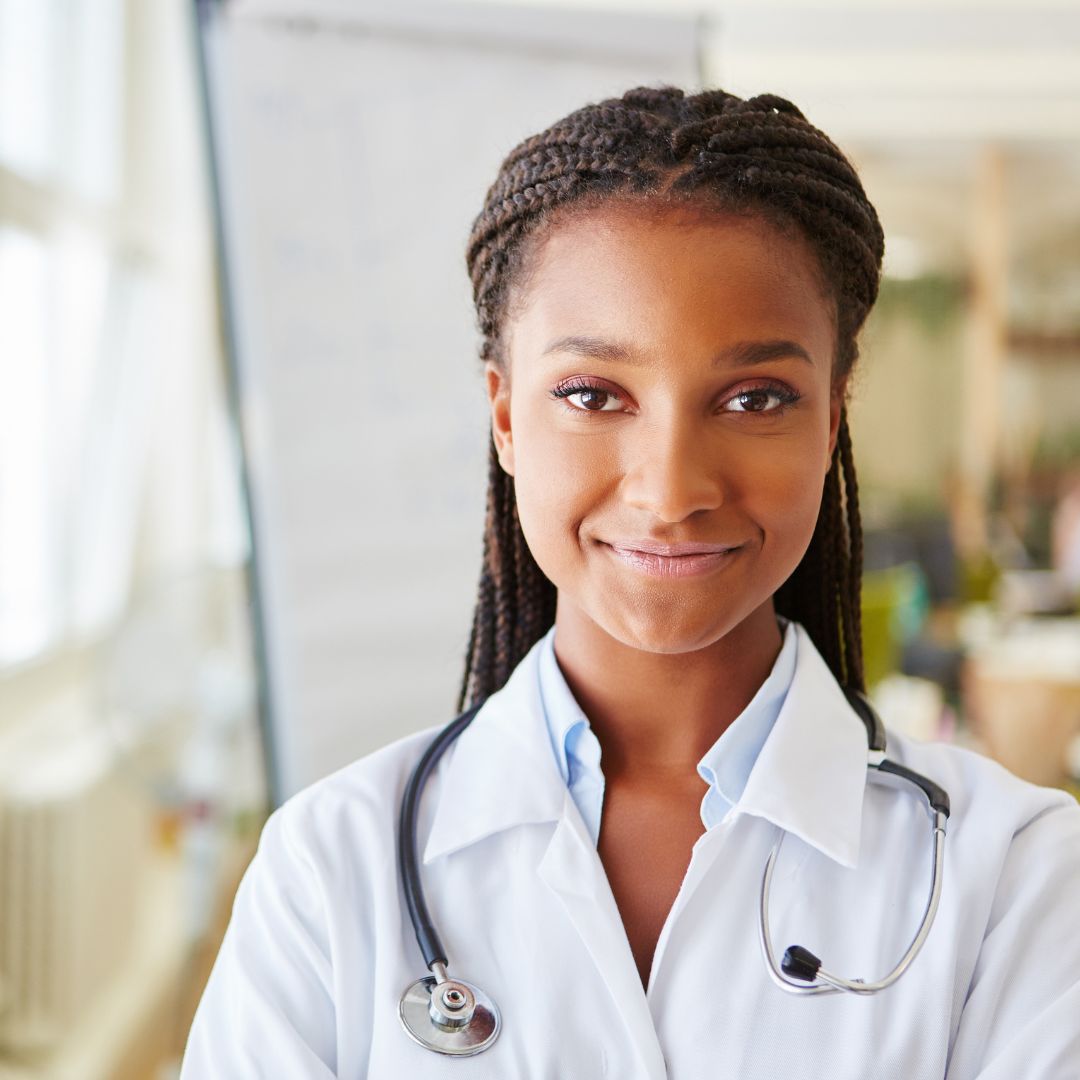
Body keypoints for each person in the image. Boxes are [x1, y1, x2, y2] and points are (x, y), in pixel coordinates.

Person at [180, 87, 1080, 1078]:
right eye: (593, 394)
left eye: (754, 397)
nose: (670, 491)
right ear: (506, 418)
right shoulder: (328, 870)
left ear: (831, 418)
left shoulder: (1018, 877)